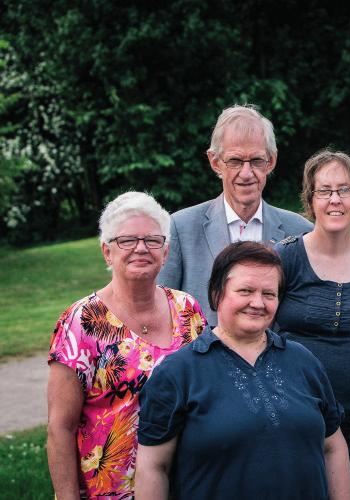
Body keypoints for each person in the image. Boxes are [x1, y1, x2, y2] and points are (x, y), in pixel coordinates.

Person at [136, 241, 350, 499]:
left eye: (269, 294)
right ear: (217, 294)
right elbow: (153, 467)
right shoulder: (178, 373)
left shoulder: (303, 361)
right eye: (246, 290)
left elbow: (333, 446)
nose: (257, 303)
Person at [46, 191, 206, 499]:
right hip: (109, 491)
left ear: (166, 251)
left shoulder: (187, 309)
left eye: (152, 240)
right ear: (107, 251)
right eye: (127, 240)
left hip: (187, 484)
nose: (141, 249)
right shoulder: (81, 322)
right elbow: (60, 428)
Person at [274, 149, 350, 493]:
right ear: (311, 200)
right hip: (295, 417)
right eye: (324, 191)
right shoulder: (286, 257)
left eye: (344, 190)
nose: (335, 200)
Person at [158, 104, 313, 327]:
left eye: (257, 161)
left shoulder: (300, 232)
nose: (247, 173)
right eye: (235, 161)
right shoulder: (180, 228)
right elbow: (162, 311)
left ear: (271, 161)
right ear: (215, 162)